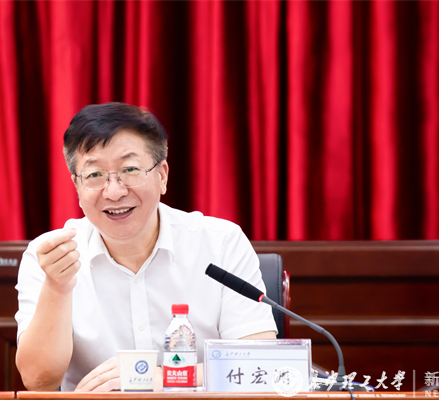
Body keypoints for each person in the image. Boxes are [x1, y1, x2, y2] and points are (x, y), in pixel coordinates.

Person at [15, 102, 277, 392]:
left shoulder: (220, 243)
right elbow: (39, 381)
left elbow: (260, 363)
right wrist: (57, 287)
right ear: (77, 186)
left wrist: (164, 378)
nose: (114, 191)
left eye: (130, 170)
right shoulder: (50, 255)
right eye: (94, 175)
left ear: (162, 175)